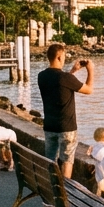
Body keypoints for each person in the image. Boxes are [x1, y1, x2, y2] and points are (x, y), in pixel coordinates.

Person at [37, 44, 94, 181]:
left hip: (50, 126)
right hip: (67, 128)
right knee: (67, 161)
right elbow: (89, 90)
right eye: (64, 56)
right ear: (59, 57)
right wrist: (90, 70)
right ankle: (64, 193)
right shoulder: (65, 78)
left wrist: (72, 71)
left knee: (50, 160)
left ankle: (51, 192)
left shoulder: (41, 76)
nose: (64, 59)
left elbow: (60, 83)